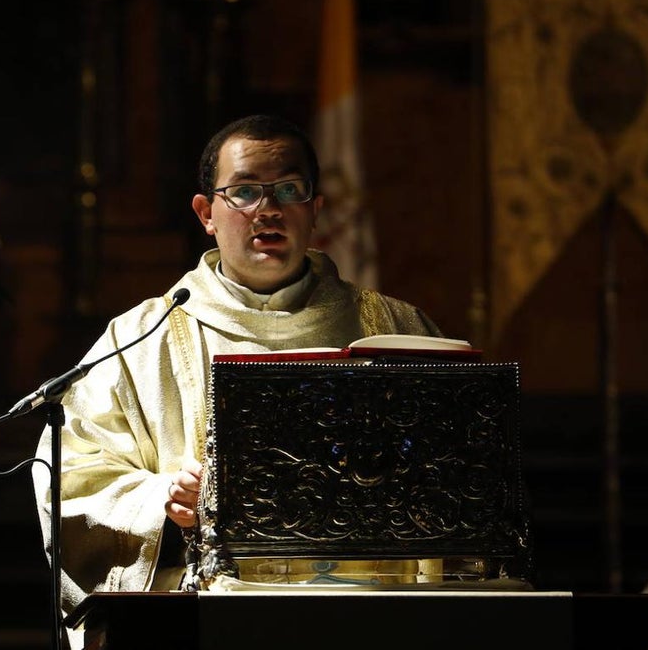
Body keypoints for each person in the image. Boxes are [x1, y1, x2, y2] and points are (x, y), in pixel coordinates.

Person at [31, 114, 442, 638]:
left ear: (316, 209)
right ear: (206, 213)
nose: (267, 209)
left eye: (288, 190)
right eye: (244, 191)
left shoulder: (397, 330)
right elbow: (68, 473)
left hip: (369, 615)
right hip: (209, 619)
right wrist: (157, 501)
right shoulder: (139, 338)